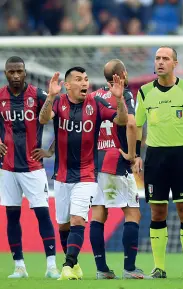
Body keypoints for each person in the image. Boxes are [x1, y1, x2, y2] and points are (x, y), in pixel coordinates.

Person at [39, 67, 128, 280]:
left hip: (87, 174)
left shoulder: (96, 104)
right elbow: (43, 119)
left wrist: (120, 99)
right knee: (64, 224)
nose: (84, 83)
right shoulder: (59, 102)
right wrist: (50, 96)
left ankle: (67, 266)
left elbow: (122, 121)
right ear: (67, 85)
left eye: (86, 79)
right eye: (78, 79)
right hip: (61, 176)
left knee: (78, 219)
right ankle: (75, 265)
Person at [134, 46, 183, 279]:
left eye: (165, 58)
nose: (160, 62)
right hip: (155, 159)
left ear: (175, 63)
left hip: (182, 158)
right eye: (157, 58)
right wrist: (137, 154)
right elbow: (138, 126)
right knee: (157, 212)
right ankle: (159, 267)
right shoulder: (144, 92)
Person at [0, 56, 60, 279]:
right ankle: (19, 266)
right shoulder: (0, 97)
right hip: (7, 168)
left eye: (19, 71)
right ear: (6, 73)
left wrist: (50, 151)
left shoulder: (38, 95)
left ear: (25, 73)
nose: (15, 75)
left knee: (43, 214)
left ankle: (52, 266)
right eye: (11, 72)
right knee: (12, 216)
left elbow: (60, 120)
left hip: (34, 167)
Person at [90, 59, 150, 279]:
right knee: (132, 213)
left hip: (95, 162)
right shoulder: (123, 94)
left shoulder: (94, 96)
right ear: (123, 73)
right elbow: (132, 124)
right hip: (116, 161)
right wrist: (133, 156)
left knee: (99, 213)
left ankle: (101, 269)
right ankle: (130, 268)